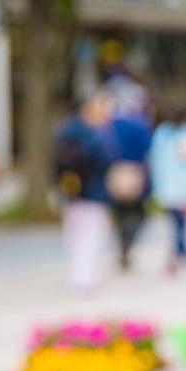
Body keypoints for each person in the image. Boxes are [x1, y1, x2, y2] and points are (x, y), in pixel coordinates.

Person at [54, 93, 115, 293]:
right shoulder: (93, 135)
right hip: (92, 192)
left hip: (70, 191)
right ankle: (84, 277)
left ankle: (78, 274)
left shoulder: (65, 131)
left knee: (74, 235)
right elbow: (104, 160)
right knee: (90, 235)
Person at [148, 104, 186, 272]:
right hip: (180, 187)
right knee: (180, 223)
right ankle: (181, 251)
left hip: (173, 187)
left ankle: (179, 251)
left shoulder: (166, 133)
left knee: (177, 222)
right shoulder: (183, 133)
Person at [105, 104, 153, 271]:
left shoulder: (109, 125)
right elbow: (148, 146)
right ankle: (128, 240)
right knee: (138, 212)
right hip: (133, 172)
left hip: (115, 171)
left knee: (119, 212)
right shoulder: (139, 123)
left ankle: (123, 241)